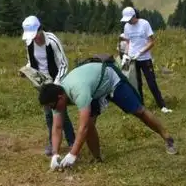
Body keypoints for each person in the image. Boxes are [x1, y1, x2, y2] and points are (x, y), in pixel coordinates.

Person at [38, 59, 177, 170]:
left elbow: (83, 126)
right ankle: (97, 159)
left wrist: (73, 154)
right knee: (91, 123)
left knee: (139, 111)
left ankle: (168, 138)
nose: (53, 109)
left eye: (53, 106)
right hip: (96, 89)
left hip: (111, 81)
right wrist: (55, 154)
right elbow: (56, 128)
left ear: (61, 97)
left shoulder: (79, 91)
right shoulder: (56, 99)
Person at [20, 15, 76, 155]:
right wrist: (26, 70)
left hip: (56, 81)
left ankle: (72, 142)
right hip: (42, 83)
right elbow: (31, 61)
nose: (34, 38)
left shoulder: (52, 41)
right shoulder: (29, 43)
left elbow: (63, 63)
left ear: (40, 29)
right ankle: (53, 143)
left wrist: (56, 85)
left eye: (36, 34)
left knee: (61, 112)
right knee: (48, 114)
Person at [119, 6, 173, 113]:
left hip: (145, 58)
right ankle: (140, 106)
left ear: (134, 16)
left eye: (129, 19)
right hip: (132, 59)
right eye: (126, 20)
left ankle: (162, 106)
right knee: (136, 83)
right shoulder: (126, 27)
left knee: (151, 82)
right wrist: (127, 55)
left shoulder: (144, 24)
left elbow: (152, 42)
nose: (128, 22)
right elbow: (129, 42)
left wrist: (140, 52)